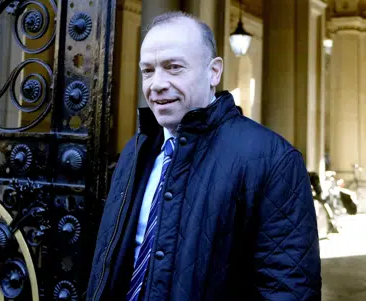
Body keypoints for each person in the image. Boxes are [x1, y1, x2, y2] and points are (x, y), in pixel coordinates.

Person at [86, 11, 321, 301]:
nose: (156, 83)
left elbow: (289, 290)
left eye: (173, 67)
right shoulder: (135, 151)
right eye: (148, 70)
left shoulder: (273, 160)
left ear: (214, 72)